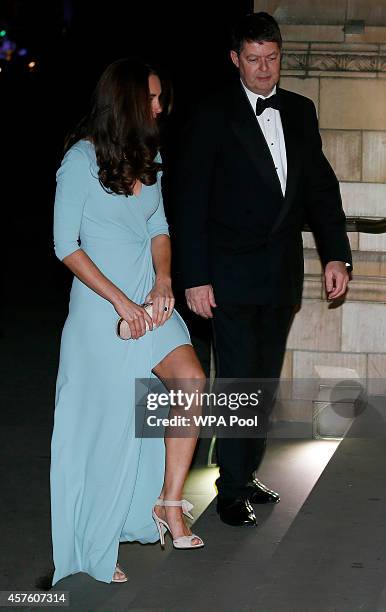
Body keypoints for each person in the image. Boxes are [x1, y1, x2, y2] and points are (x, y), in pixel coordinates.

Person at [170, 12, 352, 527]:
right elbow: (191, 202)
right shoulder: (211, 113)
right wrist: (195, 277)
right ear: (235, 59)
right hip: (226, 276)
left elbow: (320, 188)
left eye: (272, 58)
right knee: (238, 380)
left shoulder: (299, 109)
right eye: (253, 59)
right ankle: (228, 491)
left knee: (263, 379)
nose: (264, 68)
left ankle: (246, 471)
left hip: (280, 274)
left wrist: (335, 253)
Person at [50, 57, 205, 586]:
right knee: (113, 427)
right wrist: (122, 302)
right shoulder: (79, 161)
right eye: (152, 98)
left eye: (160, 98)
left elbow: (159, 225)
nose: (161, 107)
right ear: (127, 102)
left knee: (190, 382)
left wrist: (163, 282)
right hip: (103, 309)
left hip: (150, 298)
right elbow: (64, 245)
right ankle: (97, 540)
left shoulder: (148, 154)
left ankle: (168, 502)